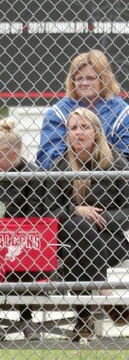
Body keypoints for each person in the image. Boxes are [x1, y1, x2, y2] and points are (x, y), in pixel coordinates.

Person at [46, 108, 129, 339]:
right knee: (78, 226)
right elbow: (48, 212)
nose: (78, 132)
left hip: (109, 242)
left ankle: (84, 318)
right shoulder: (59, 167)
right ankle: (104, 294)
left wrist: (100, 219)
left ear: (96, 132)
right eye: (73, 128)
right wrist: (75, 210)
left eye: (85, 127)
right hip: (70, 242)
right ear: (67, 134)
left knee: (81, 233)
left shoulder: (116, 163)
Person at [0, 118, 52, 341]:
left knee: (23, 262)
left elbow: (38, 215)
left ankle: (26, 317)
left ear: (14, 153)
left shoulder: (34, 176)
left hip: (27, 238)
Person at [37, 50, 129, 170]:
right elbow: (47, 159)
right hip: (67, 183)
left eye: (91, 78)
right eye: (79, 78)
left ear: (104, 79)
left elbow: (125, 159)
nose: (84, 83)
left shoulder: (122, 113)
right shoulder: (57, 113)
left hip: (109, 183)